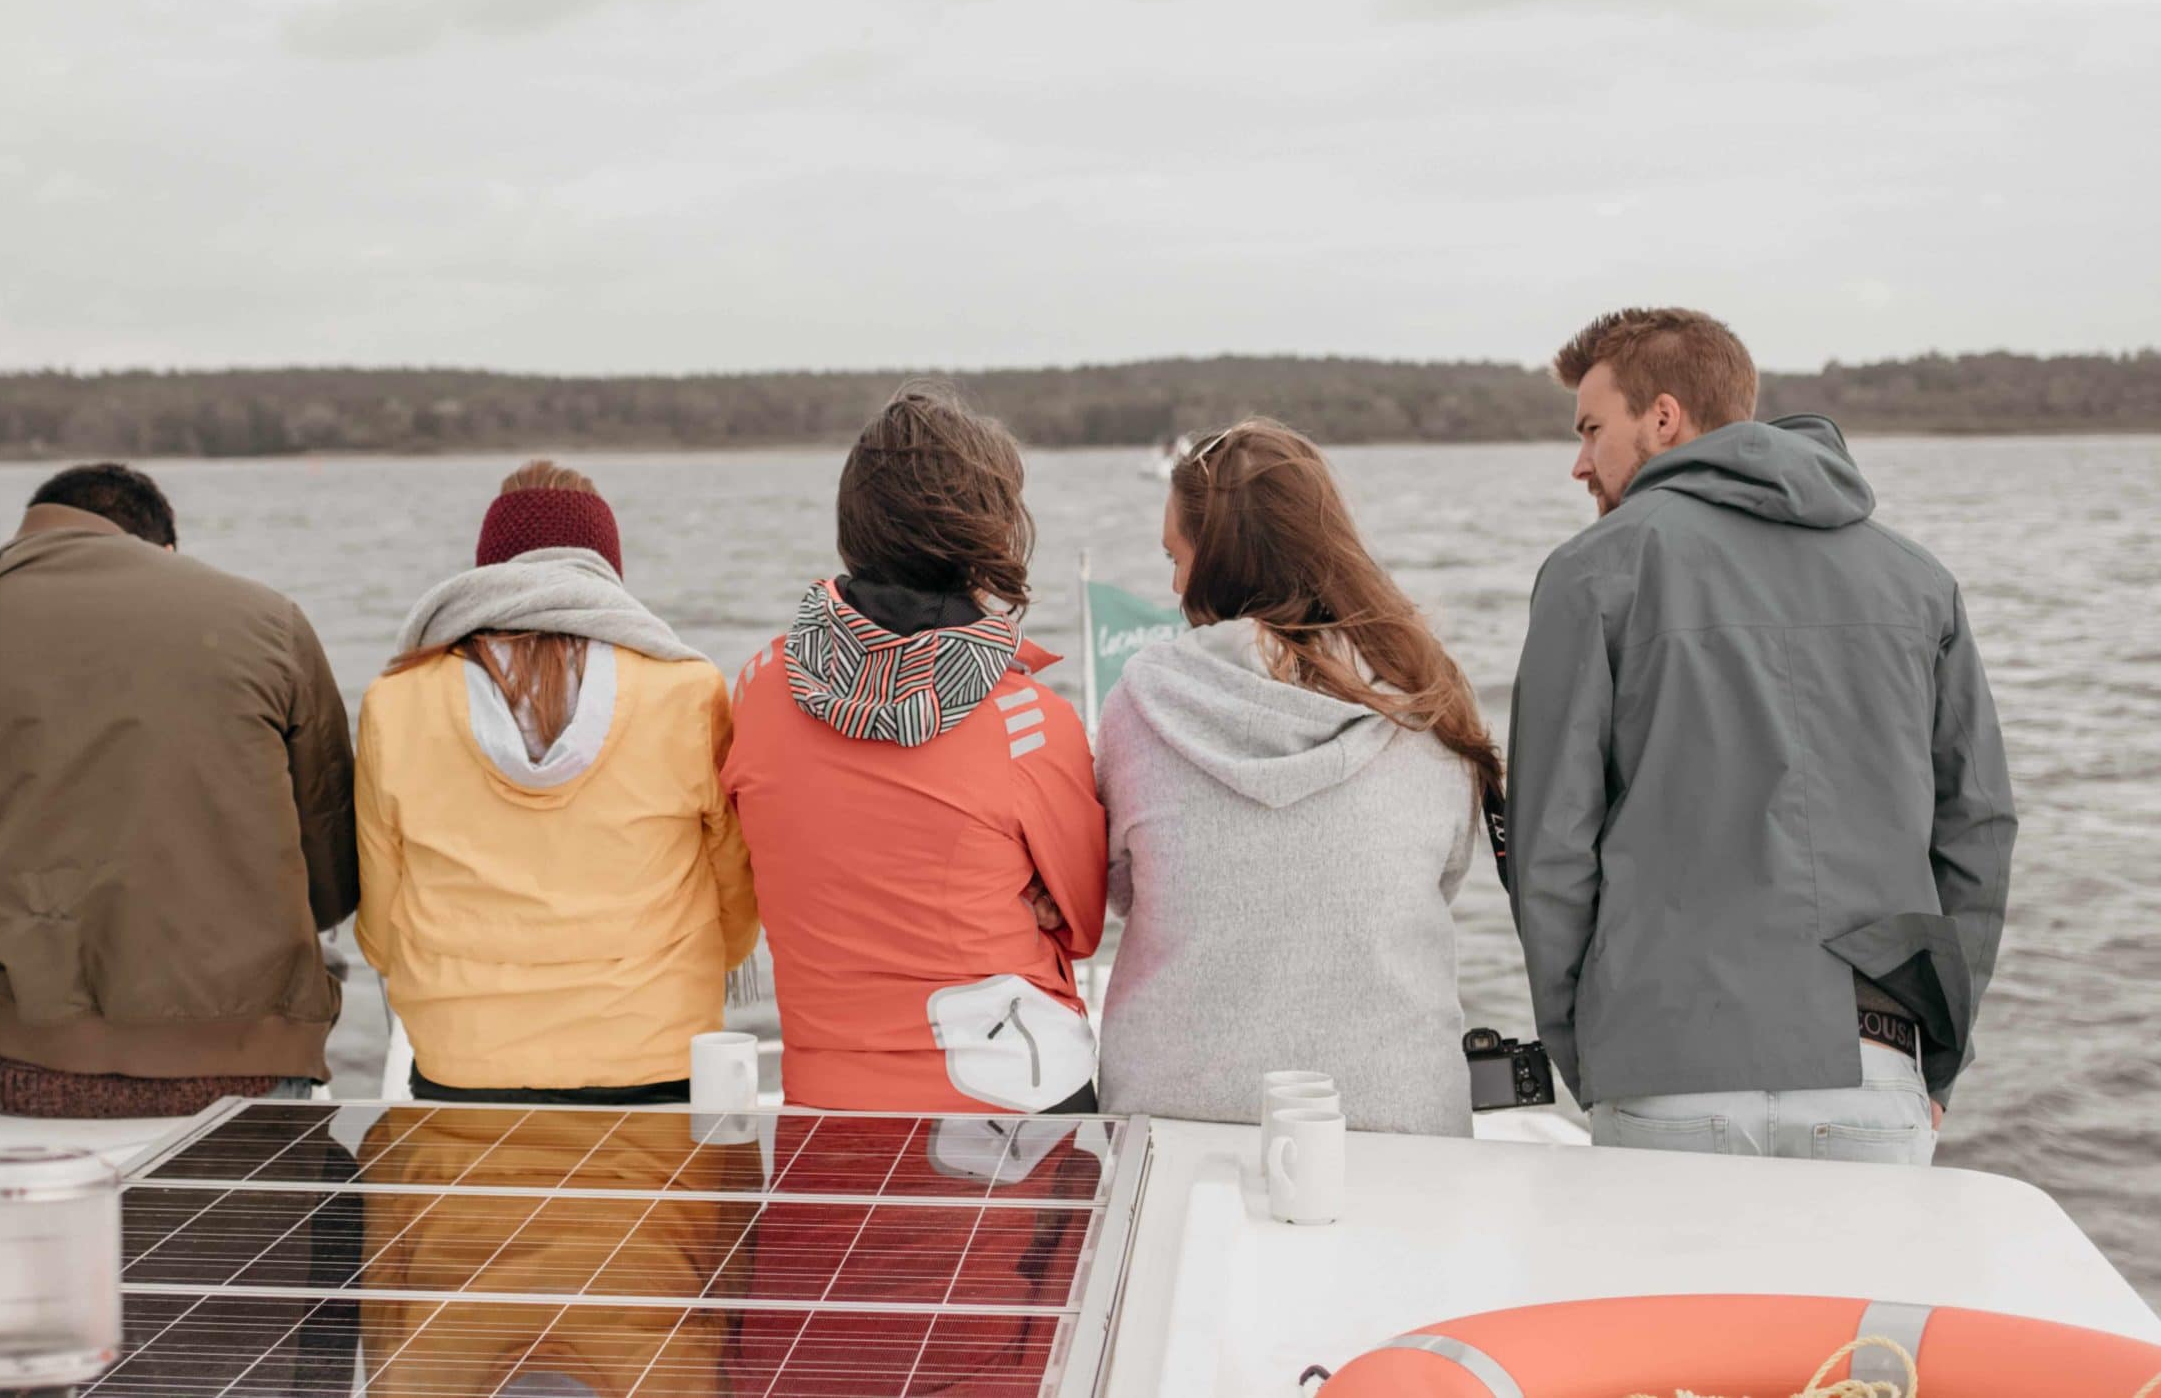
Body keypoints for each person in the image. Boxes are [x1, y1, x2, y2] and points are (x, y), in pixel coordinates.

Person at [1507, 308, 2018, 1164]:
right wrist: (1936, 1065)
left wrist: (1591, 1049)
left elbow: (1549, 853)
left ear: (1662, 417)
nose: (1580, 462)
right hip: (1873, 1068)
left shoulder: (1591, 572)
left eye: (1592, 428)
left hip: (1662, 1060)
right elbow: (1980, 831)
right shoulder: (1920, 582)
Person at [0, 462, 357, 1118]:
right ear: (165, 549)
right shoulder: (270, 619)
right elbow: (334, 875)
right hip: (249, 1063)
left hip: (25, 1062)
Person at [1094, 420, 1495, 1134]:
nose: (1174, 583)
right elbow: (1445, 869)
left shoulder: (1140, 703)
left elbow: (1122, 885)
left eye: (1176, 557)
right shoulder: (1425, 697)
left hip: (1174, 1114)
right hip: (1396, 1116)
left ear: (1213, 564)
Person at [722, 382, 1106, 1115]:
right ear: (987, 538)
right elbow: (1083, 922)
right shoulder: (1031, 720)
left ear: (853, 526)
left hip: (828, 1110)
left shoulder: (757, 690)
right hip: (1018, 1121)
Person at [355, 459, 757, 1104]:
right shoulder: (684, 689)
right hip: (652, 1045)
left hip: (465, 1054)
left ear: (490, 571)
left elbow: (380, 916)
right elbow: (734, 895)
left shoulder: (397, 699)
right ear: (606, 569)